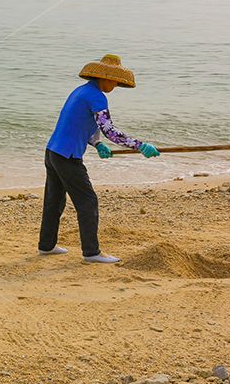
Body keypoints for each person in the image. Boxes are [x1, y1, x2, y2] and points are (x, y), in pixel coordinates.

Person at [39, 54, 159, 264]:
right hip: (67, 156)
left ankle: (46, 246)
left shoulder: (82, 91)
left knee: (54, 201)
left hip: (53, 152)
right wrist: (140, 146)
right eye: (114, 81)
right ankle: (91, 253)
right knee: (87, 201)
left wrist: (96, 143)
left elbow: (85, 124)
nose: (115, 85)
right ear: (104, 77)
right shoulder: (97, 97)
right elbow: (109, 130)